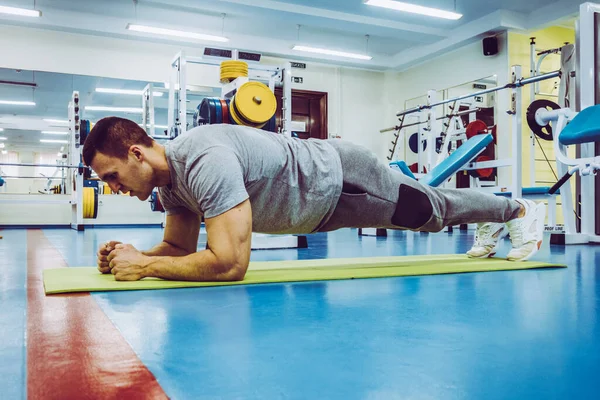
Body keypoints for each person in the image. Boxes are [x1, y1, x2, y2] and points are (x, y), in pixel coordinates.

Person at [83, 117, 546, 282]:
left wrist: (143, 267)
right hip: (316, 208)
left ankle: (518, 210)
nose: (112, 187)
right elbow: (181, 251)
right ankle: (500, 217)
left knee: (432, 214)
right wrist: (134, 254)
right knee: (432, 212)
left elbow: (228, 264)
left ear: (136, 153)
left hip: (342, 180)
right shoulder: (169, 186)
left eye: (112, 175)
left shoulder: (205, 159)